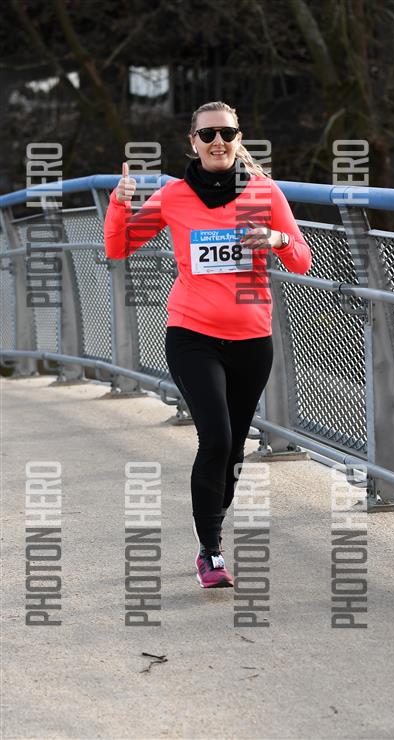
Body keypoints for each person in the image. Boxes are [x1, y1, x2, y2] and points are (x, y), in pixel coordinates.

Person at [104, 101, 312, 588]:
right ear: (192, 143)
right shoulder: (174, 196)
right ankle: (211, 552)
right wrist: (119, 204)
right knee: (215, 438)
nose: (218, 141)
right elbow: (118, 247)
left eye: (227, 133)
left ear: (239, 139)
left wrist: (277, 240)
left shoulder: (264, 192)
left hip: (252, 340)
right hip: (192, 334)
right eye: (208, 134)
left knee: (233, 448)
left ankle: (211, 524)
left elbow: (301, 259)